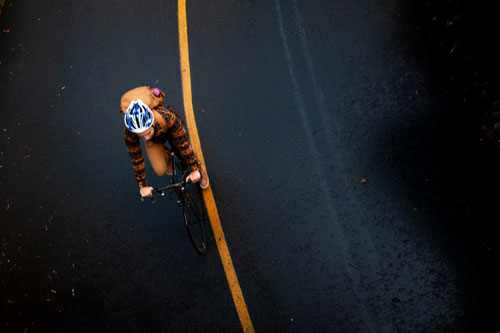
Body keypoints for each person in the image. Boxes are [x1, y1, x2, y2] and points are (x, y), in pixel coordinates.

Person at [121, 86, 209, 198]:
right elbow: (136, 158)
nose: (146, 138)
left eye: (148, 133)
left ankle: (199, 167)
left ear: (152, 123)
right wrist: (142, 186)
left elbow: (184, 145)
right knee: (160, 170)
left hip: (169, 130)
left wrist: (194, 169)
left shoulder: (167, 117)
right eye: (141, 136)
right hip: (156, 140)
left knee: (182, 150)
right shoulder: (130, 133)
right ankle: (166, 154)